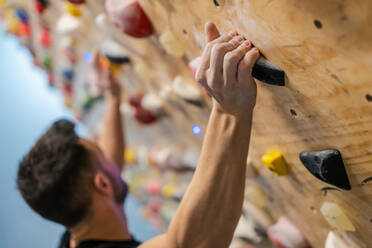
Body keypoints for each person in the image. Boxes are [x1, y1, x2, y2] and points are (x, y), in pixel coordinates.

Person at [17, 22, 260, 248]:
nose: (109, 157)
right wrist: (230, 110)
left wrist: (113, 99)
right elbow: (190, 243)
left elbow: (108, 163)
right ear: (102, 184)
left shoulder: (74, 234)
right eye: (99, 153)